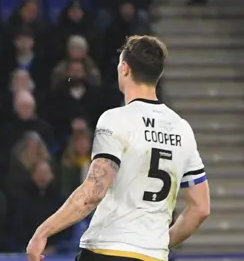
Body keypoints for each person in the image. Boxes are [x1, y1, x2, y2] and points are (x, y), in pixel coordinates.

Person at [26, 35, 211, 261]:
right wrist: (158, 243)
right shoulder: (182, 129)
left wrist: (43, 231)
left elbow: (93, 192)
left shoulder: (116, 119)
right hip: (153, 255)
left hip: (108, 249)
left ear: (124, 69)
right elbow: (200, 208)